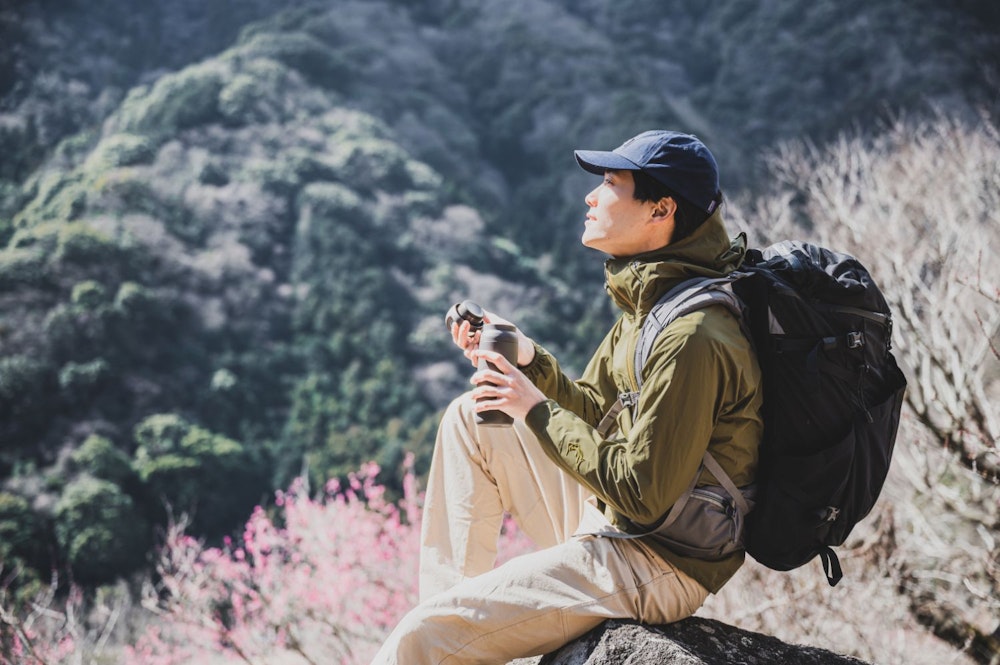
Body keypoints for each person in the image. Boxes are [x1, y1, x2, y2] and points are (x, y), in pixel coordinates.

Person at [372, 130, 762, 664]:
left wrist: (531, 404)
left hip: (659, 558)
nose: (591, 197)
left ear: (661, 209)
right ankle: (455, 623)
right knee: (474, 418)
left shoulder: (693, 333)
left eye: (609, 183)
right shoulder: (656, 300)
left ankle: (445, 635)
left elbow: (644, 491)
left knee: (420, 638)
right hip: (621, 523)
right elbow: (599, 412)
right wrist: (530, 361)